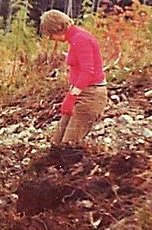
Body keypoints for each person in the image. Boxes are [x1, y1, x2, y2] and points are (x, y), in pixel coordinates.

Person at [39, 9, 107, 146]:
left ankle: (79, 166)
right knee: (56, 143)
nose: (53, 39)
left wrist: (71, 97)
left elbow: (87, 71)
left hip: (91, 96)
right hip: (80, 93)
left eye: (51, 35)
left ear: (57, 29)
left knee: (69, 145)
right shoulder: (74, 38)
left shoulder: (80, 39)